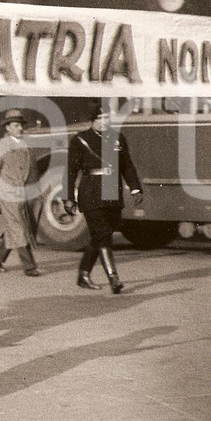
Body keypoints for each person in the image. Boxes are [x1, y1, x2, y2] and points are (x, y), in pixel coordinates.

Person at [65, 105, 143, 294]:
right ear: (93, 120)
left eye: (107, 118)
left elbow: (127, 166)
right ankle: (113, 278)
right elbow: (71, 171)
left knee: (102, 234)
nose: (104, 122)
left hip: (112, 190)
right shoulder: (81, 140)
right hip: (91, 190)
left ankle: (83, 274)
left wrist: (135, 188)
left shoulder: (118, 138)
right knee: (102, 233)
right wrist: (69, 198)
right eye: (100, 118)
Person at [0, 108, 41, 277]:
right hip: (9, 193)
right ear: (7, 128)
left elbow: (33, 170)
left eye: (21, 125)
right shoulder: (0, 147)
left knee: (21, 227)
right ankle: (30, 266)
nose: (20, 129)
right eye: (16, 125)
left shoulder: (27, 144)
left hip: (29, 193)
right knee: (19, 229)